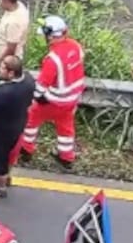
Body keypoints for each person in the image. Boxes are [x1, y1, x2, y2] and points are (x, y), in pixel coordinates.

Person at [18, 15, 85, 169]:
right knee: (66, 125)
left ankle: (26, 149)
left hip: (54, 99)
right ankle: (66, 156)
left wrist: (34, 98)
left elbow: (42, 84)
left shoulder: (52, 58)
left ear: (50, 36)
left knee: (31, 119)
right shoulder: (76, 47)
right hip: (72, 98)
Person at [0, 55, 36, 198]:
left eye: (2, 68)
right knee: (6, 157)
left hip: (0, 132)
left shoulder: (6, 93)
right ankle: (6, 177)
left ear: (11, 73)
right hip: (15, 126)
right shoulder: (27, 80)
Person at [0, 0, 30, 69]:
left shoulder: (14, 22)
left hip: (8, 64)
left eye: (0, 0)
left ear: (5, 0)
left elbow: (11, 48)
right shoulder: (20, 6)